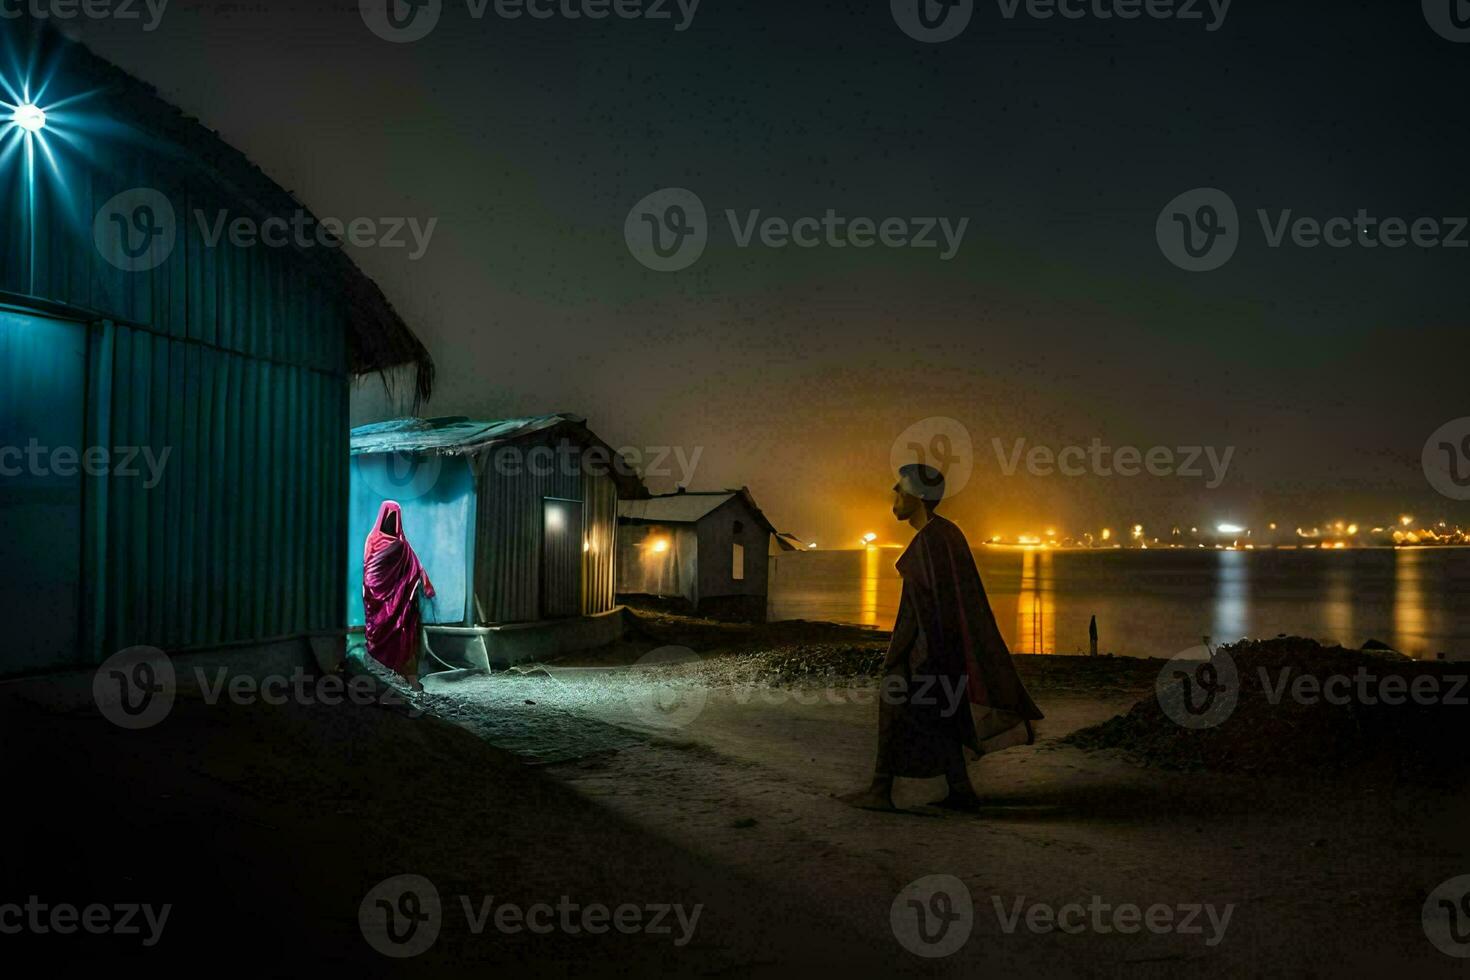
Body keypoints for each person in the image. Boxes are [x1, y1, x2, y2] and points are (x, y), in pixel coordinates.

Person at [844, 463, 1043, 812]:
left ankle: (880, 790)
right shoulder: (945, 534)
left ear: (919, 496)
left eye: (901, 489)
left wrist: (903, 659)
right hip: (946, 650)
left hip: (930, 651)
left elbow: (922, 609)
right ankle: (960, 789)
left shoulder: (932, 541)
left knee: (896, 706)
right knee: (945, 716)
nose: (895, 494)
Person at [363, 500, 435, 691]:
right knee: (384, 641)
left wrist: (425, 587)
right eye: (389, 516)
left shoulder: (402, 545)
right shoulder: (375, 540)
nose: (392, 520)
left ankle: (406, 679)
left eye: (395, 517)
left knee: (403, 640)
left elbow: (415, 568)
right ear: (382, 517)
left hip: (400, 610)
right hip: (378, 609)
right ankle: (381, 677)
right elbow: (369, 577)